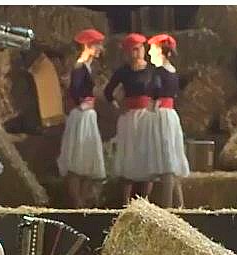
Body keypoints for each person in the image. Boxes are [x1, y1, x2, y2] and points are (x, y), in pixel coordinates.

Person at [104, 33, 155, 204]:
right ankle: (126, 202)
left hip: (147, 117)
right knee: (129, 155)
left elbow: (160, 91)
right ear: (127, 53)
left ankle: (145, 201)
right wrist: (118, 106)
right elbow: (108, 92)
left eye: (140, 48)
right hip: (129, 118)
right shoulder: (123, 72)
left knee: (146, 156)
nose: (138, 52)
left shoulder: (152, 70)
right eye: (133, 49)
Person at [57, 28, 106, 208]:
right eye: (97, 45)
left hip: (88, 114)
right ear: (88, 46)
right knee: (77, 158)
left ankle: (82, 201)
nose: (100, 49)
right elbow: (75, 90)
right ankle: (77, 202)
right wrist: (83, 102)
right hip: (82, 116)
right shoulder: (80, 67)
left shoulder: (87, 67)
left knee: (87, 157)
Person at [144, 33, 189, 208]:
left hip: (161, 116)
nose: (149, 53)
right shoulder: (173, 71)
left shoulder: (159, 72)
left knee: (166, 161)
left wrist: (151, 106)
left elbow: (154, 92)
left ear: (159, 51)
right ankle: (180, 205)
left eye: (152, 49)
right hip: (170, 115)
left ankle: (167, 207)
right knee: (171, 157)